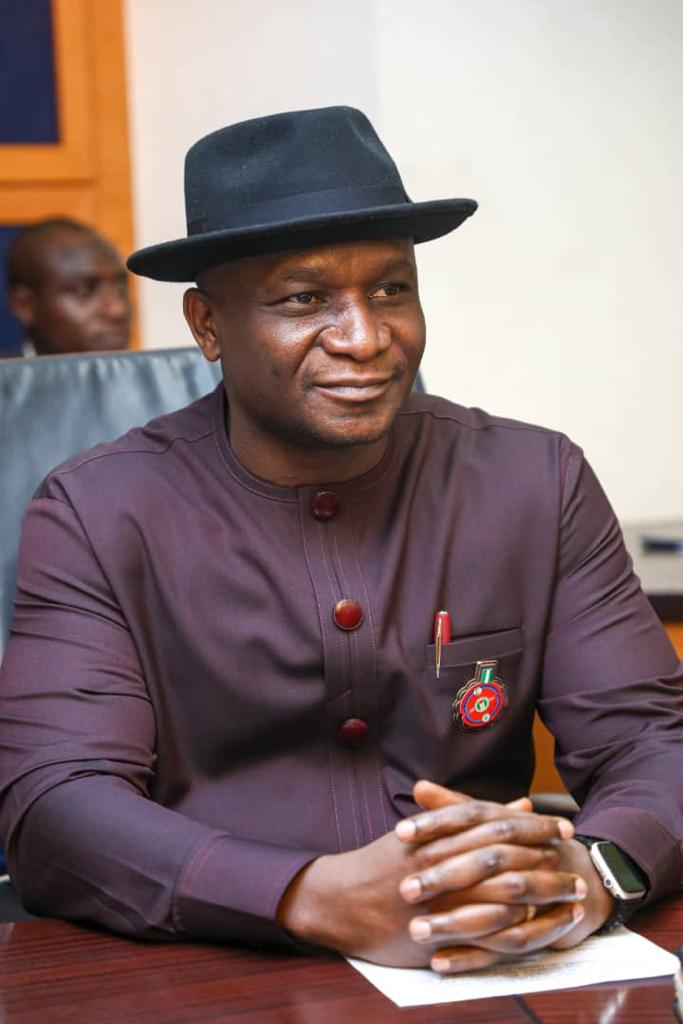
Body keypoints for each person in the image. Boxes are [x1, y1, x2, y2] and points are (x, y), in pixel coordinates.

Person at [0, 107, 681, 974]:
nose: (365, 338)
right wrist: (308, 896)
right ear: (207, 325)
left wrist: (596, 872)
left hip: (491, 957)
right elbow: (54, 805)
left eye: (391, 289)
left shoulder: (534, 481)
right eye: (304, 299)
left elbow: (651, 742)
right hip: (215, 967)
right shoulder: (97, 512)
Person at [5, 217, 131, 356]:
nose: (117, 310)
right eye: (84, 291)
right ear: (25, 305)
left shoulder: (145, 369)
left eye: (120, 288)